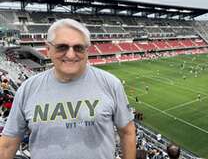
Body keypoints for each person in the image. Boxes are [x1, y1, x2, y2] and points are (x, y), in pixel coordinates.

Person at [0, 19, 136, 159]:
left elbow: (127, 132)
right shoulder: (27, 89)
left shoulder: (111, 84)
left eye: (78, 47)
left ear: (87, 50)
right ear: (48, 49)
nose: (71, 54)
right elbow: (8, 144)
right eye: (62, 47)